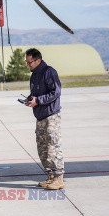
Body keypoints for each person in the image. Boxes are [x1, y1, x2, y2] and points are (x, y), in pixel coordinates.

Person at [25, 48, 64, 190]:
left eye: (30, 62)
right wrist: (30, 99)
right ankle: (51, 176)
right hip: (40, 116)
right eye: (27, 62)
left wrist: (39, 100)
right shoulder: (34, 75)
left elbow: (56, 92)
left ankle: (59, 177)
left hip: (51, 115)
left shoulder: (49, 72)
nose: (28, 65)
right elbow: (36, 93)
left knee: (53, 145)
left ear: (38, 60)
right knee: (42, 148)